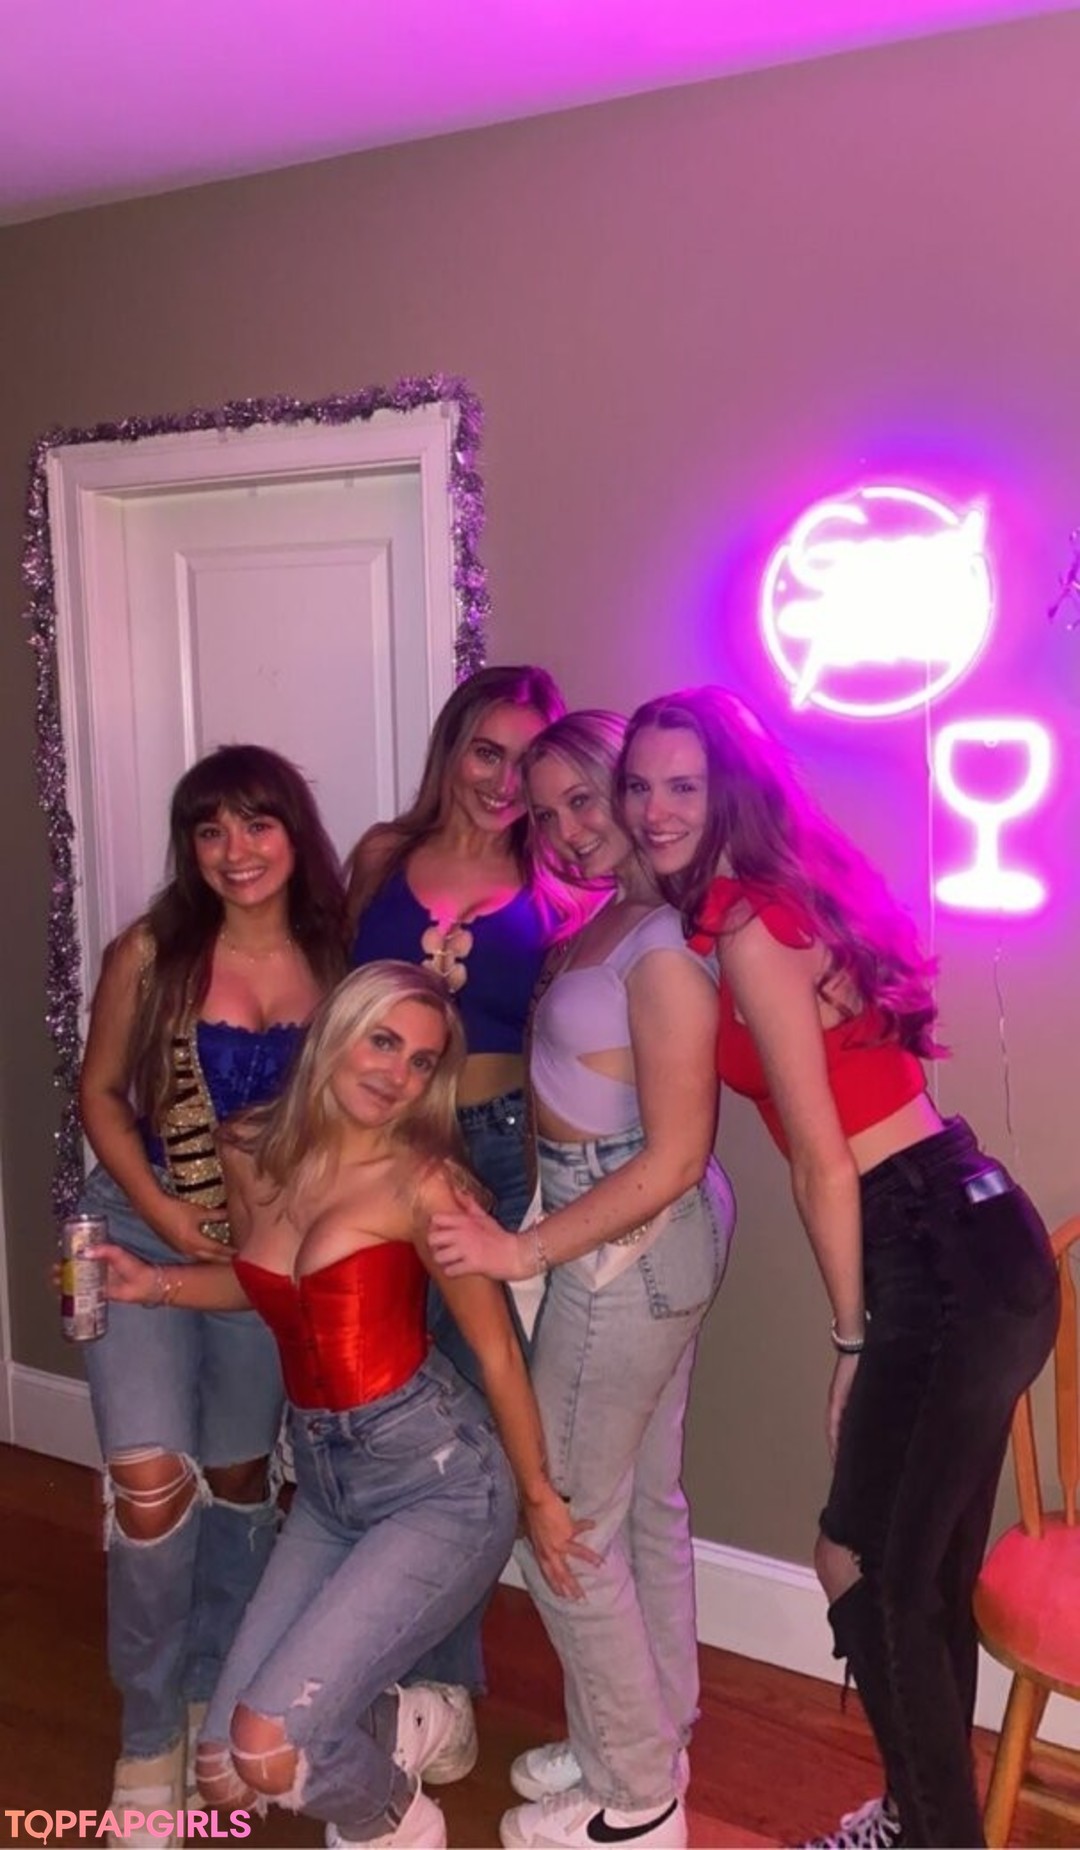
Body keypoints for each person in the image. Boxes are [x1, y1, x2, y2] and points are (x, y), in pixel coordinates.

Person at [617, 686, 1060, 1850]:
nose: (655, 809)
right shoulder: (790, 892)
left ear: (731, 790)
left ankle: (932, 1833)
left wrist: (851, 1339)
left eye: (683, 785)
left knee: (859, 1558)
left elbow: (821, 1161)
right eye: (640, 785)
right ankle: (923, 1818)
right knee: (924, 1573)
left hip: (925, 1244)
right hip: (983, 1228)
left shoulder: (750, 922)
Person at [90, 961, 595, 1850]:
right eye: (384, 1042)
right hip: (327, 1483)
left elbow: (494, 1353)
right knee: (224, 1769)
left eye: (422, 1062)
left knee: (270, 1750)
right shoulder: (252, 1148)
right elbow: (262, 1284)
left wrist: (539, 1499)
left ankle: (398, 1822)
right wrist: (154, 1285)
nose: (398, 1075)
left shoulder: (423, 1185)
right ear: (335, 1034)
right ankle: (398, 1719)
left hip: (438, 1479)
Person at [429, 711, 736, 1850]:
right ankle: (649, 1728)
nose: (567, 828)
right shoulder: (612, 918)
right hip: (624, 1227)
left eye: (586, 799)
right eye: (547, 809)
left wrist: (525, 1250)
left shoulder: (660, 950)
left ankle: (637, 1795)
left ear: (630, 789)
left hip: (625, 1233)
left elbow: (673, 1156)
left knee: (560, 1514)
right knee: (640, 1504)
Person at [76, 743, 347, 1840]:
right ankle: (146, 1732)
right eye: (209, 829)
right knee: (149, 1482)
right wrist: (165, 1207)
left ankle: (208, 1687)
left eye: (256, 823)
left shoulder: (336, 958)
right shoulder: (152, 951)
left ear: (294, 833)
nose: (235, 850)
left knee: (238, 1477)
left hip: (259, 1258)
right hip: (138, 1221)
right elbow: (100, 1092)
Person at [347, 664, 575, 1696]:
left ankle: (441, 1677)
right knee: (386, 1386)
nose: (504, 781)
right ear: (452, 748)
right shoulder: (382, 857)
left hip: (491, 1152)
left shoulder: (557, 881)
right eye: (488, 751)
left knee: (475, 1402)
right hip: (378, 1144)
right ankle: (379, 1634)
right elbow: (338, 1006)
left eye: (529, 762)